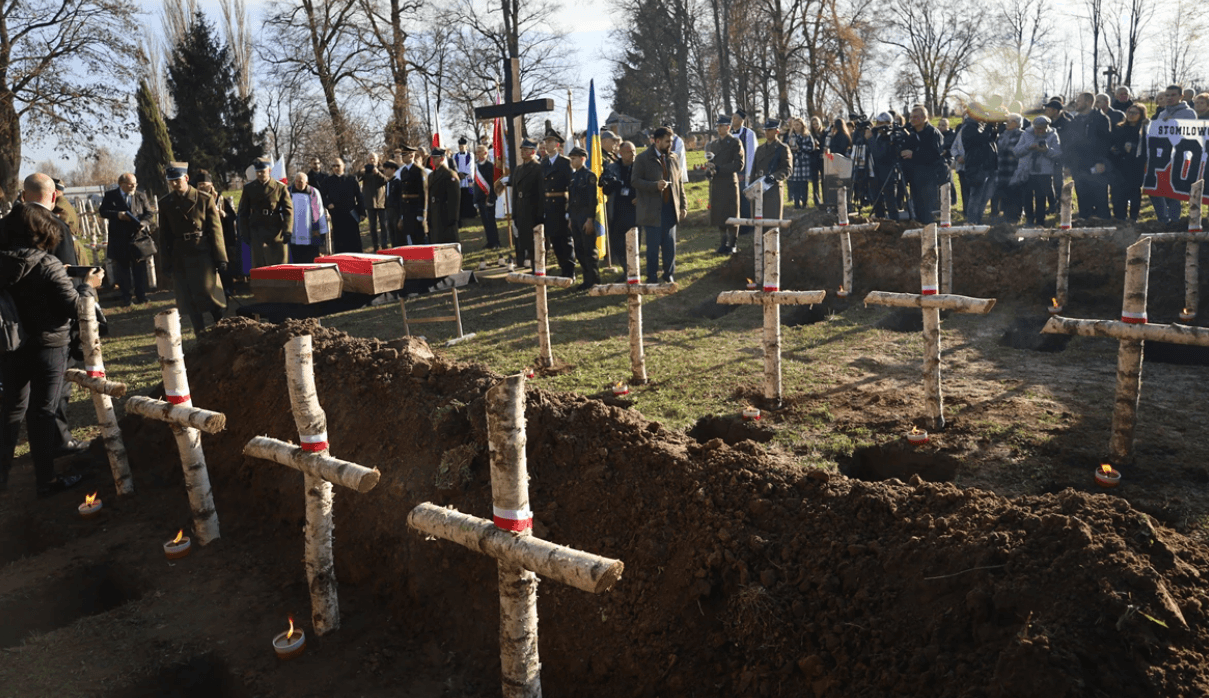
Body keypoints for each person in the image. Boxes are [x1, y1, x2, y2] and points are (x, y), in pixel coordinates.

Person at [0, 178, 103, 497]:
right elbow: (74, 306)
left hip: (13, 345)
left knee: (12, 411)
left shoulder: (5, 262)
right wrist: (88, 285)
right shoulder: (48, 265)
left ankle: (2, 480)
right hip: (49, 346)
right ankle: (46, 480)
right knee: (43, 411)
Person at [161, 162, 227, 333]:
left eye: (177, 180)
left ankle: (222, 328)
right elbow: (164, 235)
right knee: (188, 296)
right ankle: (200, 333)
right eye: (171, 181)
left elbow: (215, 230)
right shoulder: (166, 203)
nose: (175, 184)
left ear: (186, 178)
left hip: (202, 252)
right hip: (180, 254)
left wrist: (221, 257)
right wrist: (166, 262)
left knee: (210, 293)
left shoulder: (204, 199)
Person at [633, 127, 686, 284]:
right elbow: (635, 181)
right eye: (667, 141)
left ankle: (668, 274)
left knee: (670, 246)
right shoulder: (642, 159)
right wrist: (654, 185)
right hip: (651, 210)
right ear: (657, 141)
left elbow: (679, 184)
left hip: (670, 209)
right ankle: (652, 276)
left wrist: (683, 205)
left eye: (671, 141)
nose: (670, 144)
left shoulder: (674, 158)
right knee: (653, 247)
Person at [98, 172, 154, 305]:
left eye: (135, 183)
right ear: (122, 185)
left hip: (137, 238)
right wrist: (118, 215)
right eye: (131, 184)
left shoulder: (140, 196)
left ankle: (141, 296)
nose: (134, 186)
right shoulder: (111, 196)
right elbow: (103, 211)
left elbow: (149, 213)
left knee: (139, 269)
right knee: (123, 270)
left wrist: (144, 224)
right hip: (119, 239)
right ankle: (126, 298)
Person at [1152, 85, 1196, 224]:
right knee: (1158, 190)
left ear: (1181, 97)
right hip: (1162, 156)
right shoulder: (1162, 114)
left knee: (1173, 191)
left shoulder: (1189, 113)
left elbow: (1189, 135)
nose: (1169, 98)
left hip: (1179, 157)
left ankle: (1175, 221)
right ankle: (1163, 219)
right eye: (1167, 95)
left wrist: (1171, 125)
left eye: (1173, 95)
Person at [238, 157, 292, 267]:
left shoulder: (279, 188)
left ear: (269, 171)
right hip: (257, 229)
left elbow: (288, 210)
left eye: (262, 172)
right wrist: (244, 232)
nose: (260, 175)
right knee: (259, 265)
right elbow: (243, 212)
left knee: (278, 265)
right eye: (257, 172)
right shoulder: (249, 188)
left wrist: (287, 230)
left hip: (275, 231)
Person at [194, 171, 241, 295]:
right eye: (200, 185)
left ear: (211, 185)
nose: (203, 187)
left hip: (222, 238)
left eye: (205, 184)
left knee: (224, 264)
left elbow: (233, 216)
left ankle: (227, 289)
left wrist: (223, 214)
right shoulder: (195, 201)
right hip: (204, 239)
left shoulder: (220, 200)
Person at [498, 138, 543, 269]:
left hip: (533, 209)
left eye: (526, 150)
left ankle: (538, 269)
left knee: (535, 243)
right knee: (523, 240)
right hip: (521, 209)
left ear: (533, 151)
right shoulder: (518, 169)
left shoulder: (538, 168)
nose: (522, 152)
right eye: (522, 149)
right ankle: (524, 263)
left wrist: (540, 215)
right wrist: (514, 215)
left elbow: (540, 193)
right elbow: (515, 194)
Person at [1012, 116, 1063, 227]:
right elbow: (1016, 151)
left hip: (1044, 172)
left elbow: (1058, 154)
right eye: (1037, 128)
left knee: (1041, 198)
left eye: (1042, 129)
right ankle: (1029, 220)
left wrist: (1046, 151)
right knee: (1027, 197)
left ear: (1047, 127)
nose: (1039, 131)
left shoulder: (1053, 135)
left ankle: (1040, 221)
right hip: (1027, 171)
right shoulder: (1026, 134)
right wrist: (1028, 147)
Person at [899, 105, 945, 224]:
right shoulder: (911, 134)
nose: (912, 120)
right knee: (918, 209)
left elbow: (935, 155)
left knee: (928, 211)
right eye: (911, 117)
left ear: (924, 118)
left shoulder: (933, 133)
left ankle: (931, 233)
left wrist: (914, 154)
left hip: (930, 178)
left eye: (915, 117)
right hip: (915, 178)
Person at [541, 129, 577, 279]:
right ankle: (563, 268)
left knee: (565, 241)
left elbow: (572, 188)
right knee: (555, 240)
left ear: (557, 144)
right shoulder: (543, 163)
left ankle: (570, 271)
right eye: (546, 142)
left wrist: (570, 211)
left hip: (562, 205)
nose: (547, 144)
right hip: (549, 207)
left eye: (550, 142)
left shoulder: (565, 163)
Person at [706, 115, 744, 254]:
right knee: (719, 215)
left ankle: (732, 244)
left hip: (729, 182)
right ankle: (723, 243)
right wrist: (709, 171)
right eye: (717, 126)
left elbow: (739, 164)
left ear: (728, 127)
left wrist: (720, 169)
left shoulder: (735, 142)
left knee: (732, 214)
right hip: (717, 184)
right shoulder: (713, 145)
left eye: (721, 126)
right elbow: (711, 162)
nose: (718, 128)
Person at [600, 140, 637, 273]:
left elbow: (648, 184)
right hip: (617, 211)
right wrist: (607, 183)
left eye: (634, 151)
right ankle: (626, 270)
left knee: (633, 243)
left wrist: (641, 196)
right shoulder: (612, 168)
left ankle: (634, 271)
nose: (632, 154)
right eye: (629, 152)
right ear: (621, 153)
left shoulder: (640, 167)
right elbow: (606, 190)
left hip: (635, 210)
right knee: (617, 243)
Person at [566, 146, 600, 290]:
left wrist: (590, 219)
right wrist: (569, 218)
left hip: (586, 217)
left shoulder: (589, 176)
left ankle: (594, 280)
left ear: (582, 158)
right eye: (571, 159)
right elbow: (571, 199)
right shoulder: (573, 177)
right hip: (575, 217)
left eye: (574, 159)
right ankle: (587, 280)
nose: (571, 161)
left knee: (589, 250)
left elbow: (592, 199)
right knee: (579, 249)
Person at [1108, 104, 1149, 221]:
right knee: (1117, 192)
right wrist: (1117, 150)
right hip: (1119, 165)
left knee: (1134, 192)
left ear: (1141, 115)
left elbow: (1146, 149)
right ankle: (1119, 216)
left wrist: (1134, 148)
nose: (1131, 115)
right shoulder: (1119, 128)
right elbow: (1114, 144)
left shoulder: (1144, 130)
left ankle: (1133, 217)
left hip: (1136, 166)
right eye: (1129, 112)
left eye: (1134, 113)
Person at [960, 106, 999, 225]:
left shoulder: (979, 126)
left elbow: (990, 139)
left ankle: (978, 220)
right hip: (977, 167)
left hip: (987, 166)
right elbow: (981, 139)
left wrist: (994, 127)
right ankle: (972, 222)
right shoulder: (968, 128)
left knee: (985, 196)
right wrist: (989, 125)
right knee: (976, 197)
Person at [750, 118, 792, 222]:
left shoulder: (782, 148)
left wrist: (774, 177)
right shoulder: (760, 149)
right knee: (758, 222)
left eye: (770, 130)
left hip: (773, 189)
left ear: (777, 131)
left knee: (772, 222)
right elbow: (754, 169)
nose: (767, 132)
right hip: (759, 189)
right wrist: (751, 186)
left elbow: (787, 169)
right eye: (766, 130)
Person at [319, 158, 364, 253]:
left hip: (351, 213)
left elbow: (359, 196)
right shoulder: (328, 181)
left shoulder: (351, 179)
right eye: (333, 166)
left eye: (338, 165)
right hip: (337, 214)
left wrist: (362, 212)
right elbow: (321, 195)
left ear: (343, 166)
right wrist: (328, 203)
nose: (335, 168)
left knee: (354, 241)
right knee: (340, 241)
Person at [288, 172, 328, 264]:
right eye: (296, 181)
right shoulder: (288, 192)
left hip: (310, 233)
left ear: (307, 182)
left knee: (310, 259)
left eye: (301, 182)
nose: (298, 184)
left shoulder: (314, 193)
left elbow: (320, 212)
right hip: (294, 232)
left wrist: (322, 232)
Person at [866, 113, 900, 220]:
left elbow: (879, 154)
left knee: (890, 202)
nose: (878, 125)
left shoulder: (889, 136)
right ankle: (880, 223)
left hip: (887, 173)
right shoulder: (875, 133)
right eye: (878, 123)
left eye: (882, 123)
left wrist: (870, 139)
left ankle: (894, 223)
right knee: (877, 201)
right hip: (873, 172)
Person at [731, 109, 758, 234]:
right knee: (734, 198)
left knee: (745, 198)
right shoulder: (729, 133)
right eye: (733, 118)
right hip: (732, 171)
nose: (733, 120)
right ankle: (737, 225)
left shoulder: (749, 134)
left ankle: (748, 226)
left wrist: (749, 174)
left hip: (744, 172)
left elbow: (751, 154)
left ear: (742, 121)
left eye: (736, 118)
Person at [996, 114, 1026, 224]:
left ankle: (1016, 217)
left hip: (1014, 170)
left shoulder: (1022, 135)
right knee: (1005, 194)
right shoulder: (1003, 135)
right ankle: (1006, 217)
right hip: (1002, 170)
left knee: (1016, 195)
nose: (1006, 123)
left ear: (1017, 123)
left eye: (1010, 121)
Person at [426, 148, 460, 245]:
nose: (432, 160)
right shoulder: (431, 175)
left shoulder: (449, 174)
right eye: (432, 158)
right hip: (435, 213)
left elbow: (455, 198)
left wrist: (453, 218)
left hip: (445, 213)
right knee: (436, 241)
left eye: (435, 158)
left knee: (448, 241)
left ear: (442, 158)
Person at [397, 146, 427, 245]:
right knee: (410, 239)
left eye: (404, 155)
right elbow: (402, 194)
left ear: (411, 155)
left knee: (419, 239)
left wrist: (421, 213)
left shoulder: (419, 170)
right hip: (407, 210)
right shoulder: (403, 171)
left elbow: (423, 193)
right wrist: (402, 214)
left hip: (415, 209)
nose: (402, 157)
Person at [359, 153, 390, 251]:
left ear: (377, 159)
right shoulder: (365, 170)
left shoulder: (382, 169)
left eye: (373, 158)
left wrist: (377, 173)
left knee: (383, 225)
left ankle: (384, 244)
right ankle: (376, 245)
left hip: (381, 201)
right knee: (372, 226)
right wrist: (360, 172)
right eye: (370, 158)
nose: (372, 160)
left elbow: (386, 180)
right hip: (370, 202)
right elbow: (357, 179)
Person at [472, 145, 500, 249]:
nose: (478, 154)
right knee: (485, 222)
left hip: (489, 198)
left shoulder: (490, 166)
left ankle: (496, 242)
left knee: (491, 221)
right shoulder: (476, 166)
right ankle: (489, 242)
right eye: (477, 152)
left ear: (486, 153)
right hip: (480, 198)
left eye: (481, 152)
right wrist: (475, 199)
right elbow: (476, 184)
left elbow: (494, 184)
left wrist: (492, 198)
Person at [786, 117, 814, 210]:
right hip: (795, 163)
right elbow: (786, 147)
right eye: (794, 125)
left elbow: (811, 147)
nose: (796, 127)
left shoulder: (807, 135)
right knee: (795, 184)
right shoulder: (791, 136)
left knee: (804, 185)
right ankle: (796, 204)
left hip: (804, 162)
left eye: (797, 125)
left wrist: (800, 147)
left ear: (802, 125)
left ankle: (804, 203)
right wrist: (789, 146)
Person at [452, 137, 477, 224]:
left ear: (466, 146)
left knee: (469, 195)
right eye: (460, 146)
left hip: (468, 178)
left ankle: (471, 213)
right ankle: (462, 214)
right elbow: (454, 166)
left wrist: (464, 174)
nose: (461, 148)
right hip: (459, 178)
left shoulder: (471, 155)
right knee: (461, 196)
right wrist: (458, 174)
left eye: (463, 146)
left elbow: (470, 166)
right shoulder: (455, 156)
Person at [379, 159, 400, 248]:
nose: (385, 171)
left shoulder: (397, 182)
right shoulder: (388, 183)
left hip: (396, 212)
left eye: (387, 168)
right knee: (392, 235)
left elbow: (399, 200)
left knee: (398, 236)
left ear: (393, 170)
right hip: (389, 212)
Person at [808, 116, 826, 206]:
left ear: (820, 124)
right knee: (815, 181)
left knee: (824, 180)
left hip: (823, 159)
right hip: (813, 159)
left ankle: (826, 199)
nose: (815, 125)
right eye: (813, 124)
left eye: (817, 123)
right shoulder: (810, 134)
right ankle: (816, 200)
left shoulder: (824, 133)